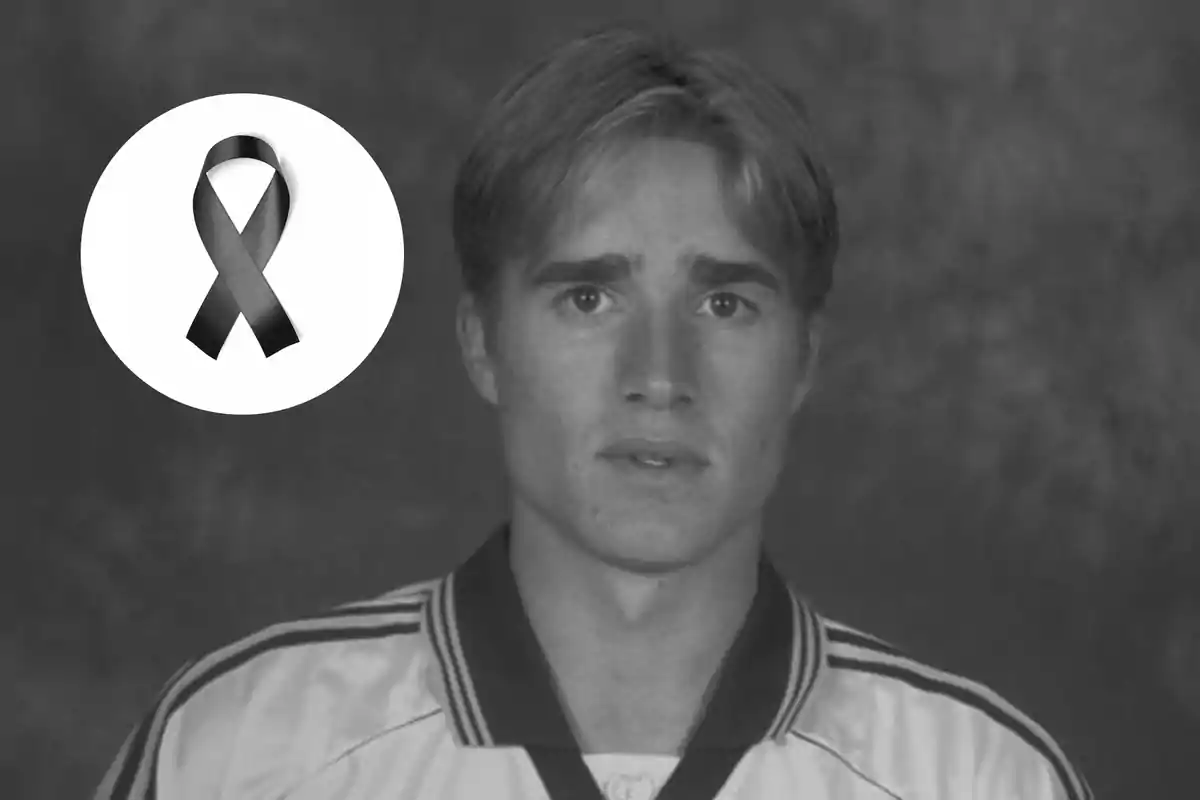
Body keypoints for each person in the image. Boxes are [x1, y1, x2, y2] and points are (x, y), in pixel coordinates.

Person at [94, 24, 1093, 800]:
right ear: (485, 343)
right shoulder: (238, 752)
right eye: (589, 298)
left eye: (724, 303)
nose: (659, 374)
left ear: (803, 361)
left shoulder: (978, 776)